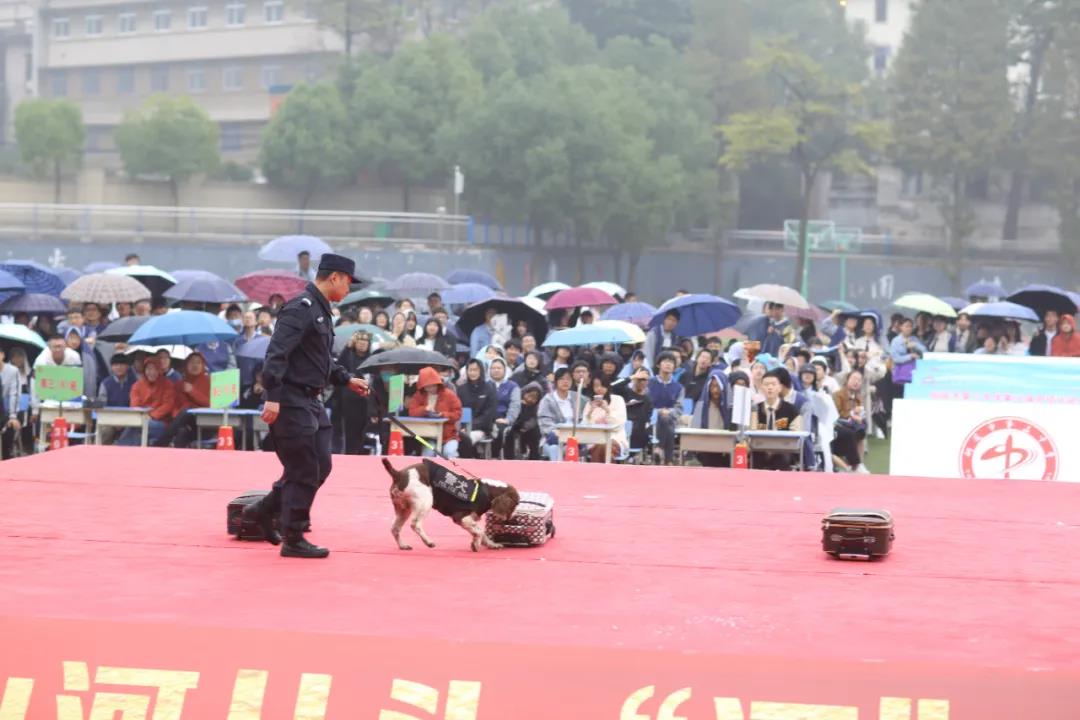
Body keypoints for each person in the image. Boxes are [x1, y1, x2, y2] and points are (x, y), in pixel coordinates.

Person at [242, 254, 370, 559]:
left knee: (321, 465)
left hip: (312, 400)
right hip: (289, 399)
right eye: (348, 283)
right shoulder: (300, 308)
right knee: (304, 469)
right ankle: (294, 536)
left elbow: (319, 360)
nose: (349, 290)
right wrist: (273, 396)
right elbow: (276, 354)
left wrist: (346, 379)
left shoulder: (321, 311)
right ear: (335, 277)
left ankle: (264, 510)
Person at [153, 352, 210, 448]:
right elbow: (174, 404)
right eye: (192, 362)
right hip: (183, 423)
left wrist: (192, 391)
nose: (195, 365)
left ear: (203, 365)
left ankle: (161, 443)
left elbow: (209, 404)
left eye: (198, 362)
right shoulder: (179, 384)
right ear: (186, 365)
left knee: (186, 412)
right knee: (182, 432)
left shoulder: (208, 382)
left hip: (203, 420)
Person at [750, 369, 802, 470]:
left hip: (783, 452)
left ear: (780, 388)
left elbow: (796, 435)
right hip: (759, 451)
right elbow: (751, 434)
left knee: (782, 459)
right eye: (766, 384)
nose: (770, 387)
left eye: (773, 384)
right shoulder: (755, 409)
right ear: (761, 388)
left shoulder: (792, 410)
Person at [117, 357, 175, 446]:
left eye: (155, 369)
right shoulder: (137, 385)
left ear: (159, 370)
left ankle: (121, 447)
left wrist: (151, 416)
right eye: (149, 369)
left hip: (160, 422)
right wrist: (143, 417)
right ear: (144, 370)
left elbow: (168, 405)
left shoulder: (167, 384)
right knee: (136, 426)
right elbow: (135, 405)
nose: (152, 372)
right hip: (140, 418)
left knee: (136, 425)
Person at [406, 366, 462, 457]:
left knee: (449, 452)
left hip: (449, 437)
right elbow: (412, 412)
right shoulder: (419, 395)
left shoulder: (449, 395)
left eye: (432, 386)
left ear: (437, 384)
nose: (430, 389)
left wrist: (443, 414)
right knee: (427, 453)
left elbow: (458, 414)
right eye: (426, 387)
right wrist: (424, 409)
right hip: (428, 437)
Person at [538, 368, 588, 461]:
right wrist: (556, 431)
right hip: (554, 439)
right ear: (556, 381)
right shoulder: (547, 400)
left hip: (575, 438)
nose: (565, 382)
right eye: (562, 379)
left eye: (568, 379)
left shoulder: (578, 397)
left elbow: (586, 414)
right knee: (554, 448)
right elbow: (544, 422)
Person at [335, 331, 373, 455]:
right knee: (349, 434)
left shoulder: (371, 359)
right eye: (360, 340)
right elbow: (338, 366)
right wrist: (348, 346)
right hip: (349, 402)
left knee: (363, 434)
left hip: (366, 402)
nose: (362, 343)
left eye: (365, 340)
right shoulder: (348, 356)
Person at [647, 352, 685, 465]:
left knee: (666, 419)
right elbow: (646, 404)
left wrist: (668, 412)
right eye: (665, 361)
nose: (668, 364)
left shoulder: (678, 387)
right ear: (658, 364)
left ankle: (659, 448)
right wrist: (658, 412)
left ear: (675, 366)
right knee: (666, 422)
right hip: (652, 421)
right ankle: (669, 460)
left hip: (671, 419)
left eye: (671, 362)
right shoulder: (649, 383)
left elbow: (679, 408)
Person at [580, 375, 628, 462]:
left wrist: (607, 410)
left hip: (615, 438)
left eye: (602, 385)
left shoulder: (618, 400)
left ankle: (597, 470)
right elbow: (584, 427)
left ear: (607, 386)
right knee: (602, 447)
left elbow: (619, 424)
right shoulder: (589, 404)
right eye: (596, 386)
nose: (599, 388)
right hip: (594, 441)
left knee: (605, 446)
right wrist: (590, 412)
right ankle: (609, 469)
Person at [456, 359, 497, 458]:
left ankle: (468, 461)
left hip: (481, 428)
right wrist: (462, 427)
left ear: (481, 371)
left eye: (475, 370)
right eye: (470, 370)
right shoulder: (461, 389)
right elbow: (458, 410)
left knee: (465, 439)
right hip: (462, 428)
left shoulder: (489, 388)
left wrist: (469, 427)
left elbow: (488, 415)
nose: (473, 373)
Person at [832, 368, 869, 473]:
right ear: (847, 379)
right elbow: (837, 413)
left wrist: (860, 417)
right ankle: (855, 464)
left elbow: (860, 414)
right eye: (854, 379)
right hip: (838, 425)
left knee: (861, 431)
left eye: (859, 380)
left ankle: (859, 463)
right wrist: (852, 414)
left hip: (851, 424)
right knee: (850, 433)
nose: (856, 382)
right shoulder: (837, 395)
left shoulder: (858, 397)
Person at [96, 354, 137, 444]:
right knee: (106, 431)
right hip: (109, 419)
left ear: (127, 366)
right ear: (111, 367)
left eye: (122, 364)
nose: (119, 367)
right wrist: (114, 421)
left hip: (129, 419)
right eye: (116, 365)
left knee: (134, 430)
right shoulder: (105, 384)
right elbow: (102, 406)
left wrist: (124, 421)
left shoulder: (134, 383)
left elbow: (135, 405)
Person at [487, 358, 520, 459]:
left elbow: (515, 405)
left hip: (505, 419)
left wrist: (508, 419)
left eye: (499, 368)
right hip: (487, 419)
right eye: (493, 368)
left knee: (500, 430)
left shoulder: (513, 386)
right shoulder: (485, 385)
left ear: (505, 370)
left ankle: (495, 457)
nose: (496, 370)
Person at [889, 318, 926, 399]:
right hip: (900, 374)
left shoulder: (914, 339)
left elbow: (925, 351)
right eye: (906, 326)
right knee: (900, 397)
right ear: (901, 327)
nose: (908, 328)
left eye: (910, 326)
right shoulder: (896, 341)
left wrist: (916, 345)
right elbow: (895, 358)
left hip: (913, 374)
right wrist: (910, 356)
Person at [506, 382, 544, 460]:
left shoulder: (537, 408)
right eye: (529, 395)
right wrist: (522, 406)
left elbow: (533, 421)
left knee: (535, 432)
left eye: (534, 398)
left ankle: (534, 458)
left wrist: (524, 427)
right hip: (513, 426)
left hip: (527, 428)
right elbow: (513, 417)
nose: (530, 399)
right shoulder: (515, 402)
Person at [0, 348, 21, 459]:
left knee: (10, 425)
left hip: (7, 411)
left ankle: (6, 455)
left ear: (2, 355)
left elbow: (14, 393)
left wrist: (13, 416)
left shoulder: (13, 371)